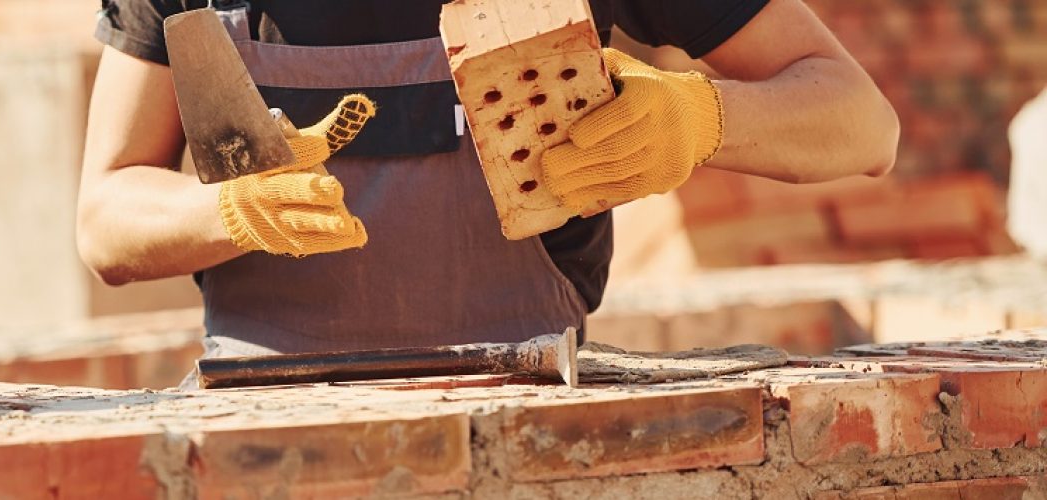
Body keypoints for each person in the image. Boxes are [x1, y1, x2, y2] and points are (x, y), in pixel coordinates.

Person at [75, 0, 899, 379]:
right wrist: (228, 210)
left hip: (533, 416)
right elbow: (105, 218)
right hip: (259, 425)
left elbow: (864, 124)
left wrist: (699, 121)